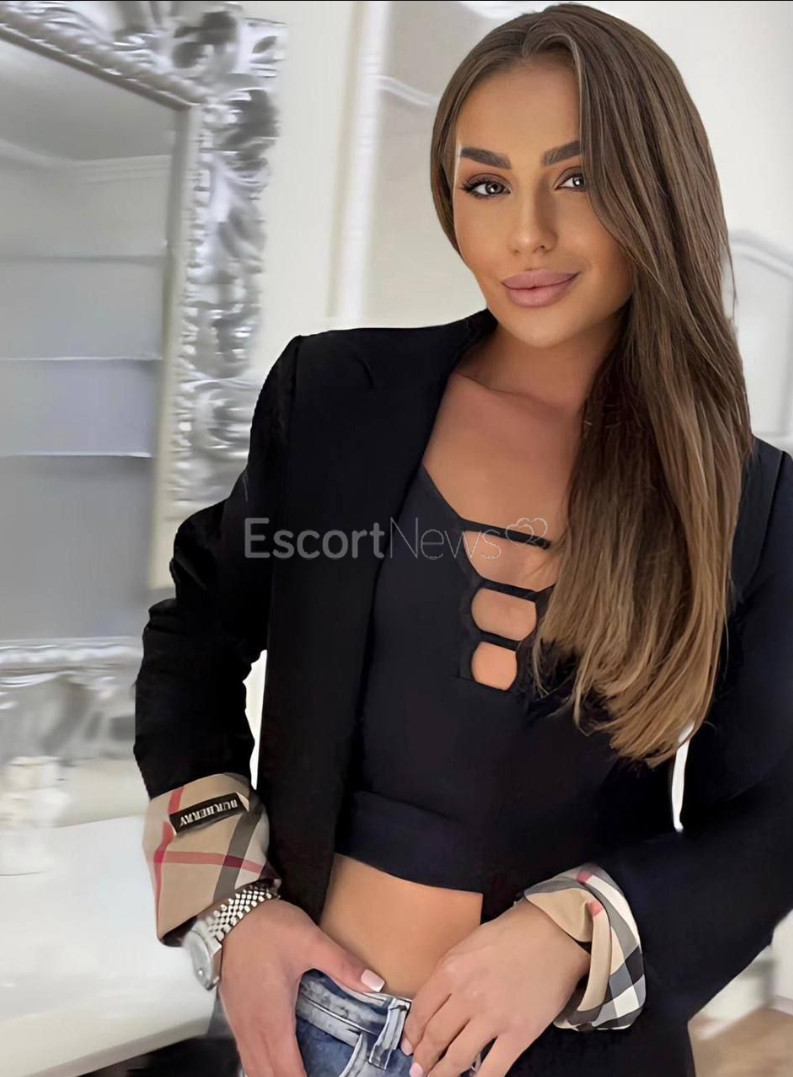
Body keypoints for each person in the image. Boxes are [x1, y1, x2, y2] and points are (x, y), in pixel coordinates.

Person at [132, 5, 793, 1076]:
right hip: (297, 1030)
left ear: (656, 190)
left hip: (562, 1050)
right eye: (485, 185)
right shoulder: (334, 399)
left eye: (576, 178)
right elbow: (192, 645)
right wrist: (230, 911)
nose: (524, 234)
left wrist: (575, 932)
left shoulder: (749, 501)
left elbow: (766, 823)